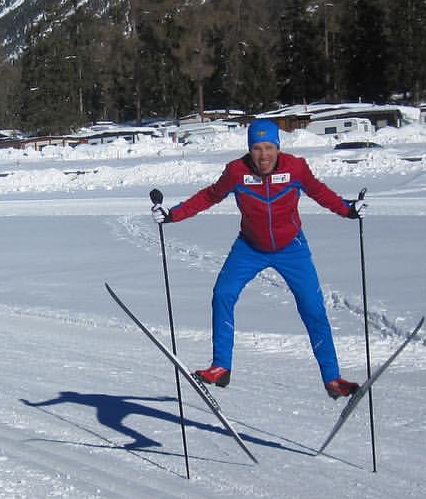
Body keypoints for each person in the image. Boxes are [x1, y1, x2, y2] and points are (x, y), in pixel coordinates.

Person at [153, 117, 362, 400]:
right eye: (256, 148)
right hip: (249, 247)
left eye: (268, 147)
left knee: (313, 308)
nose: (263, 155)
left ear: (277, 148)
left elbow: (320, 192)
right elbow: (209, 196)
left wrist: (348, 210)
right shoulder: (236, 172)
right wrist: (173, 214)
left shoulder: (296, 168)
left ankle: (332, 379)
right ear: (249, 149)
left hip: (292, 248)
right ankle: (220, 367)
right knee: (223, 294)